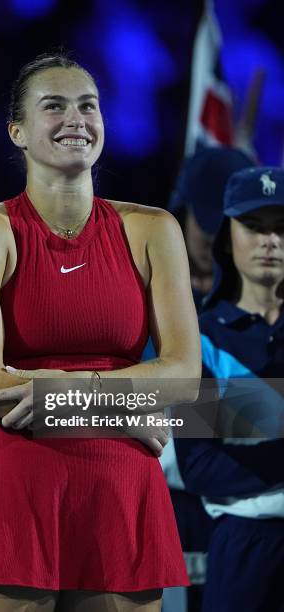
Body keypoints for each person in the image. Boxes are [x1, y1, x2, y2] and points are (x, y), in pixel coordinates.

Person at [0, 53, 201, 612]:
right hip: (15, 483)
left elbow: (185, 377)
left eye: (88, 106)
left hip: (122, 486)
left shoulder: (154, 230)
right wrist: (123, 405)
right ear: (18, 131)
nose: (76, 118)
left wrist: (47, 384)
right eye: (54, 106)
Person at [174, 166, 284, 612]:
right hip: (243, 548)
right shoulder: (198, 340)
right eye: (254, 227)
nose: (270, 241)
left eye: (281, 228)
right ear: (227, 235)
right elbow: (199, 465)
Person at [168, 146, 254, 306]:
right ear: (182, 216)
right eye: (207, 226)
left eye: (229, 231)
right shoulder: (146, 287)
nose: (215, 243)